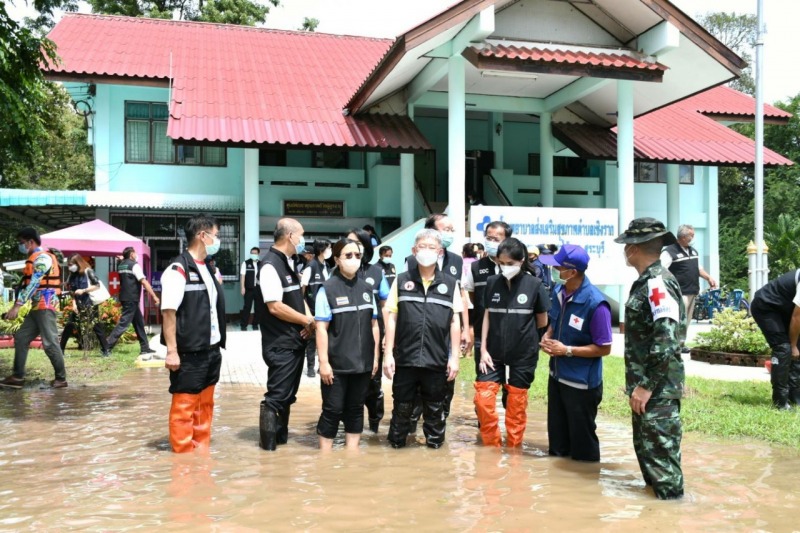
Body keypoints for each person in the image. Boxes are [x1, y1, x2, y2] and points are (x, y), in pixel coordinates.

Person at [615, 217, 685, 500]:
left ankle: (671, 519)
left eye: (627, 245)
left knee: (664, 471)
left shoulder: (657, 284)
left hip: (657, 391)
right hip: (648, 390)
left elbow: (666, 338)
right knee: (649, 462)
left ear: (635, 247)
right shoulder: (646, 282)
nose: (625, 251)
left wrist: (646, 385)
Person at [383, 229, 461, 449]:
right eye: (422, 247)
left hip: (436, 359)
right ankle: (396, 449)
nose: (426, 251)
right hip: (405, 358)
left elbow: (454, 321)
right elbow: (392, 318)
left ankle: (435, 451)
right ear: (414, 251)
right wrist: (388, 354)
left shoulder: (451, 283)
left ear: (440, 251)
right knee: (402, 409)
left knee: (435, 411)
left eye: (431, 247)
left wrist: (454, 357)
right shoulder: (401, 281)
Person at [539, 244, 612, 462]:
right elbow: (554, 320)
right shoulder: (559, 291)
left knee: (583, 448)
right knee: (558, 443)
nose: (552, 271)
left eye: (557, 267)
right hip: (557, 377)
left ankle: (587, 487)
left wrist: (567, 350)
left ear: (571, 272)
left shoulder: (596, 304)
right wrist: (548, 334)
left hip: (581, 384)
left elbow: (604, 348)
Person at [161, 215, 227, 453]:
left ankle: (201, 454)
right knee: (184, 408)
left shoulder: (209, 268)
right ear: (203, 235)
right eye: (216, 235)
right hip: (189, 354)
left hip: (211, 350)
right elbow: (168, 313)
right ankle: (182, 461)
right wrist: (171, 352)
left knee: (205, 405)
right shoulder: (178, 270)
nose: (217, 240)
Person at [475, 238, 549, 448]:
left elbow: (541, 320)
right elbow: (487, 315)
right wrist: (484, 350)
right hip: (493, 352)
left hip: (523, 353)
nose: (505, 268)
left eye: (510, 264)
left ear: (521, 260)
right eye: (502, 263)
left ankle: (515, 449)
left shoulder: (534, 284)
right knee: (483, 399)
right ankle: (492, 447)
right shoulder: (492, 282)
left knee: (516, 404)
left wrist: (527, 339)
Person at [314, 239, 380, 450]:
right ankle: (325, 456)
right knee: (332, 409)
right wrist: (324, 362)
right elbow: (321, 328)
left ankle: (351, 456)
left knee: (355, 409)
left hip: (363, 364)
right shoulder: (327, 289)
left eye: (357, 256)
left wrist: (375, 358)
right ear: (337, 259)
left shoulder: (367, 289)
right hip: (337, 365)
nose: (353, 260)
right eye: (348, 255)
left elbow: (374, 325)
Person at [404, 214, 470, 421]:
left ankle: (440, 421)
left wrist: (466, 329)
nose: (449, 233)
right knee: (416, 384)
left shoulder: (456, 260)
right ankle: (413, 424)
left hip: (447, 328)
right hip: (419, 331)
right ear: (431, 230)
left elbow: (461, 297)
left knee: (446, 379)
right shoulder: (411, 261)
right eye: (445, 228)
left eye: (452, 229)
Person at [258, 218, 314, 451]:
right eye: (301, 235)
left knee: (288, 396)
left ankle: (281, 443)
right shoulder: (270, 265)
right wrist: (306, 320)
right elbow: (274, 306)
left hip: (295, 342)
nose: (303, 240)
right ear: (290, 236)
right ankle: (268, 451)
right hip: (280, 344)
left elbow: (298, 298)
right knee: (276, 398)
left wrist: (309, 320)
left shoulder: (288, 263)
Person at [0, 227, 68, 389]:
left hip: (46, 305)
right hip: (37, 307)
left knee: (50, 343)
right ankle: (17, 376)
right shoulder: (35, 258)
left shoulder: (42, 258)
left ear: (31, 242)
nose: (20, 246)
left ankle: (61, 379)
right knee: (22, 337)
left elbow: (34, 282)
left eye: (21, 243)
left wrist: (17, 307)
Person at [346, 228, 390, 432]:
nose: (354, 248)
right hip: (345, 337)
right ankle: (349, 427)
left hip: (372, 334)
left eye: (358, 244)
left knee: (373, 382)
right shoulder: (338, 271)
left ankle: (374, 425)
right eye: (349, 243)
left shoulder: (376, 272)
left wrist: (387, 335)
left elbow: (385, 305)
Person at [464, 221, 512, 373]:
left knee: (513, 387)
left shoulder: (516, 266)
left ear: (507, 241)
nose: (491, 242)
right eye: (488, 238)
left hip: (511, 335)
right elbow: (473, 296)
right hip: (482, 336)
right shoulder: (476, 267)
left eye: (496, 239)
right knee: (484, 383)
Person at [660, 224, 717, 353]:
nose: (693, 238)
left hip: (692, 291)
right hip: (679, 293)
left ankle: (681, 344)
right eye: (691, 235)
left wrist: (709, 278)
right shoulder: (669, 252)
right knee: (678, 319)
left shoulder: (693, 251)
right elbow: (661, 270)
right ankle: (673, 344)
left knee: (687, 319)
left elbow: (698, 269)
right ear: (683, 237)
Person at [750, 269, 800, 409]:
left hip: (784, 308)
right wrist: (794, 345)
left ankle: (795, 396)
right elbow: (797, 317)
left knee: (797, 348)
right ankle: (780, 401)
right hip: (766, 306)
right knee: (784, 348)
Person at [106, 246, 160, 358]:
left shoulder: (121, 265)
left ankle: (145, 348)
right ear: (131, 254)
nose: (136, 255)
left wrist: (122, 258)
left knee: (139, 323)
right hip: (131, 299)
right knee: (123, 324)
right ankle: (106, 346)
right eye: (135, 253)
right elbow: (144, 282)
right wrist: (154, 296)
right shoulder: (134, 265)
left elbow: (124, 264)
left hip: (126, 297)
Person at [60, 254, 111, 357]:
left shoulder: (88, 271)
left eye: (71, 264)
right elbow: (73, 291)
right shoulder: (72, 275)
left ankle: (106, 350)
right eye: (69, 265)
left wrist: (84, 290)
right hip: (78, 304)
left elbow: (97, 285)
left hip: (89, 303)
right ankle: (60, 351)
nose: (70, 267)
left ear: (78, 263)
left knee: (96, 326)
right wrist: (74, 303)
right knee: (69, 325)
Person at [301, 239, 332, 378]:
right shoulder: (311, 266)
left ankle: (322, 364)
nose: (330, 251)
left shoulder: (326, 266)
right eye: (328, 248)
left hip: (326, 310)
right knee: (312, 340)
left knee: (325, 339)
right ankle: (311, 367)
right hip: (312, 310)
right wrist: (305, 309)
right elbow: (303, 289)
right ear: (321, 250)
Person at [240, 247, 262, 331]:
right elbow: (243, 276)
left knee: (258, 307)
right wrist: (242, 287)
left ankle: (255, 324)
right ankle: (243, 325)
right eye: (252, 253)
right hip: (249, 289)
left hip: (258, 289)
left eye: (255, 253)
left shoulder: (261, 263)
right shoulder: (246, 263)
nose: (253, 254)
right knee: (247, 307)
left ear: (258, 254)